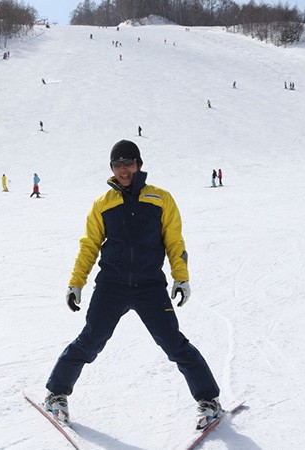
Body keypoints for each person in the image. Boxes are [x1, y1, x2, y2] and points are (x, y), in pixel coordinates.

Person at [44, 140, 221, 430]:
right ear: (112, 168)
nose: (123, 169)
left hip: (150, 285)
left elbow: (174, 241)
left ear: (139, 164)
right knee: (90, 341)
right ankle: (56, 394)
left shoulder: (161, 199)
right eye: (117, 164)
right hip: (111, 285)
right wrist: (76, 283)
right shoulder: (103, 204)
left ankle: (209, 400)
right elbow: (89, 245)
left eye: (128, 163)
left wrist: (181, 277)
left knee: (174, 344)